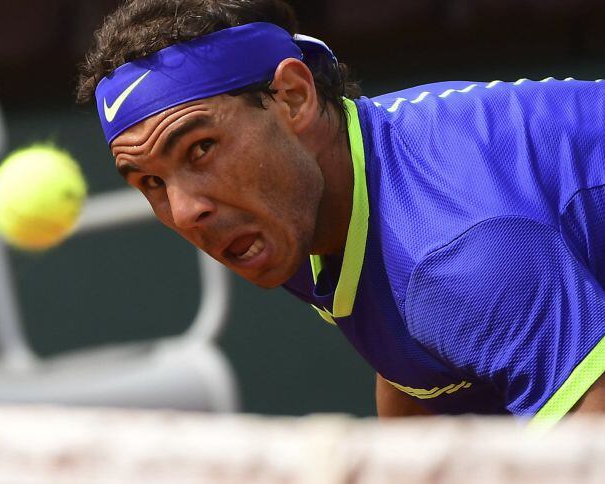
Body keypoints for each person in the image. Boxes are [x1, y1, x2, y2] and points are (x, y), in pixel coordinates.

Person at [76, 0, 605, 428]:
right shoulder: (317, 200)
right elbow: (417, 362)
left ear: (292, 98)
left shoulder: (453, 251)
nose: (187, 210)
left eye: (200, 149)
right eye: (151, 182)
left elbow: (584, 459)